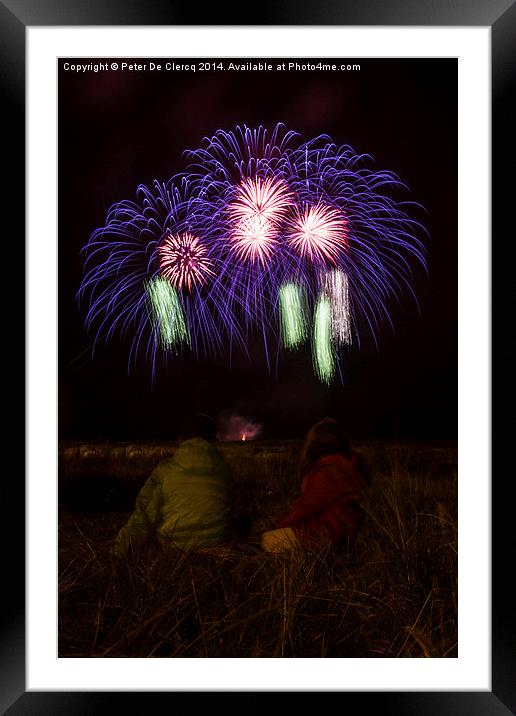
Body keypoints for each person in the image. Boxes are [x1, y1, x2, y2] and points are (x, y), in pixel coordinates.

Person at [113, 413, 232, 557]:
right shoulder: (225, 470)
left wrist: (118, 553)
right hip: (215, 548)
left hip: (174, 551)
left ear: (181, 440)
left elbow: (142, 517)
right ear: (214, 440)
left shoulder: (165, 470)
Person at [261, 418, 371, 554]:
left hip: (328, 534)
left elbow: (304, 508)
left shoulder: (327, 471)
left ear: (314, 444)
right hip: (342, 530)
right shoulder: (347, 464)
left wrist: (274, 527)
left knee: (265, 541)